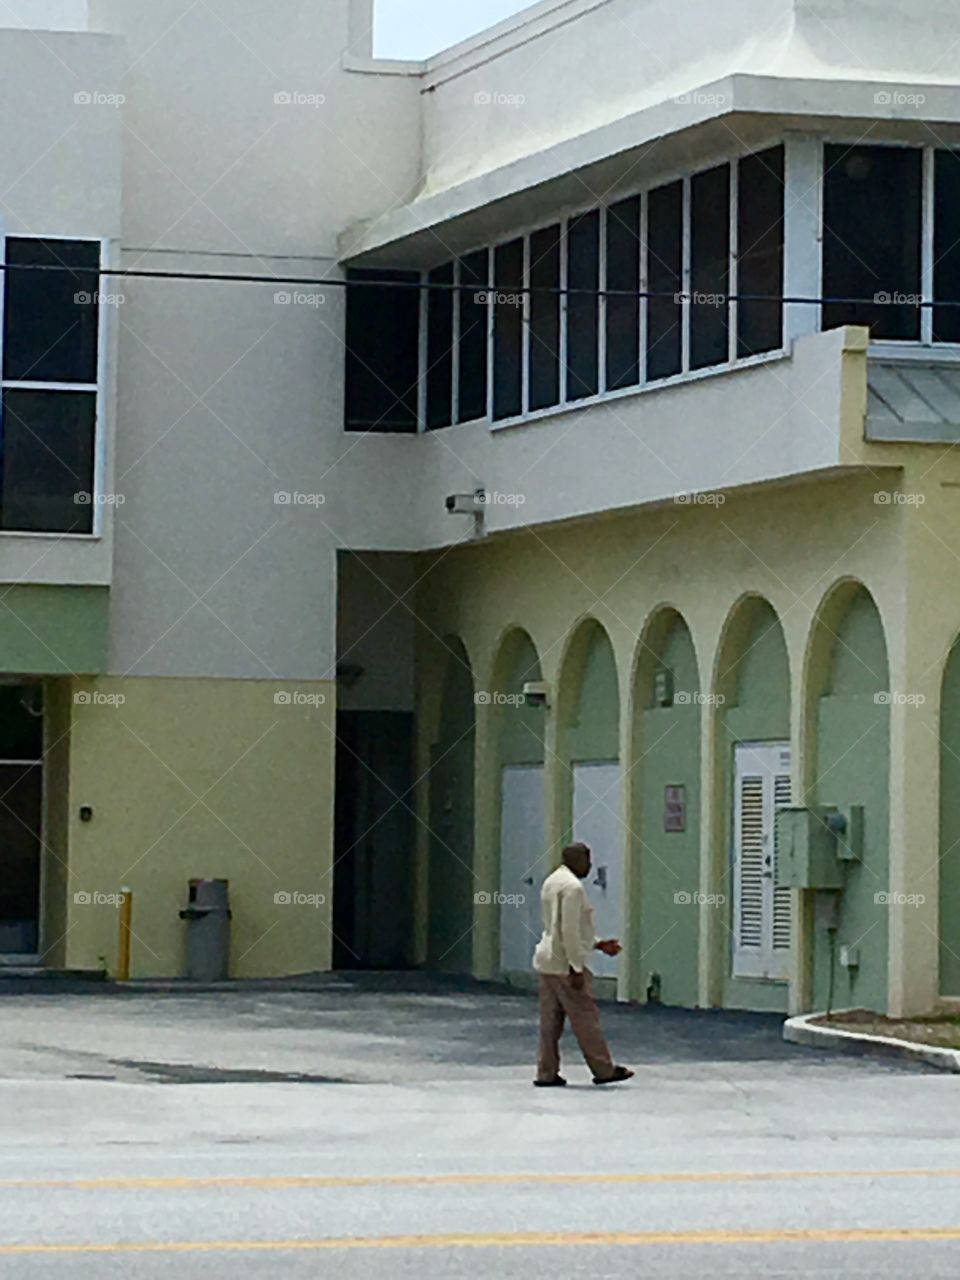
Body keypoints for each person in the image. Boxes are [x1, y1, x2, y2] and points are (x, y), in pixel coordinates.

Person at [532, 842, 634, 1088]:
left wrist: (598, 944)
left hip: (547, 960)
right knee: (586, 1018)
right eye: (587, 860)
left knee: (550, 1022)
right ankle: (603, 1069)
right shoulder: (573, 888)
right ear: (575, 860)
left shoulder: (552, 881)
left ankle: (546, 1072)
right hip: (565, 964)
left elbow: (559, 928)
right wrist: (576, 968)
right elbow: (568, 930)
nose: (589, 866)